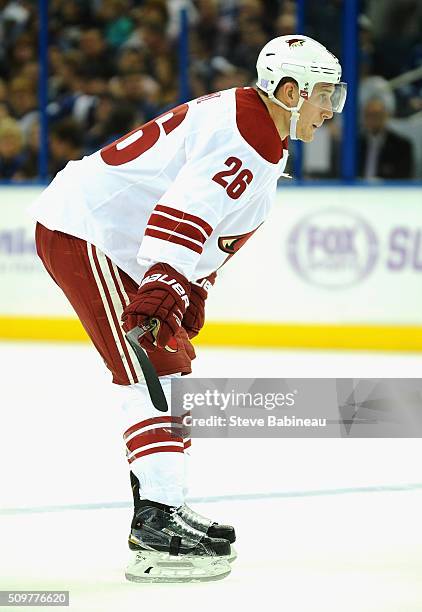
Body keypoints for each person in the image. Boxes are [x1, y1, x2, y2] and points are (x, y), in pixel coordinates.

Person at [29, 34, 346, 583]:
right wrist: (162, 289)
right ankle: (155, 525)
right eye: (323, 94)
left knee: (169, 363)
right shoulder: (246, 135)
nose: (329, 108)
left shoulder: (260, 133)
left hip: (124, 242)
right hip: (89, 230)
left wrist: (189, 286)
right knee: (145, 366)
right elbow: (184, 215)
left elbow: (211, 231)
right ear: (289, 91)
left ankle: (163, 509)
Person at [359, 97, 414, 180]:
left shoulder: (402, 146)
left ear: (385, 116)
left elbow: (404, 178)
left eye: (377, 115)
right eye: (369, 115)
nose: (373, 119)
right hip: (357, 190)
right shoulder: (356, 144)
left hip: (389, 191)